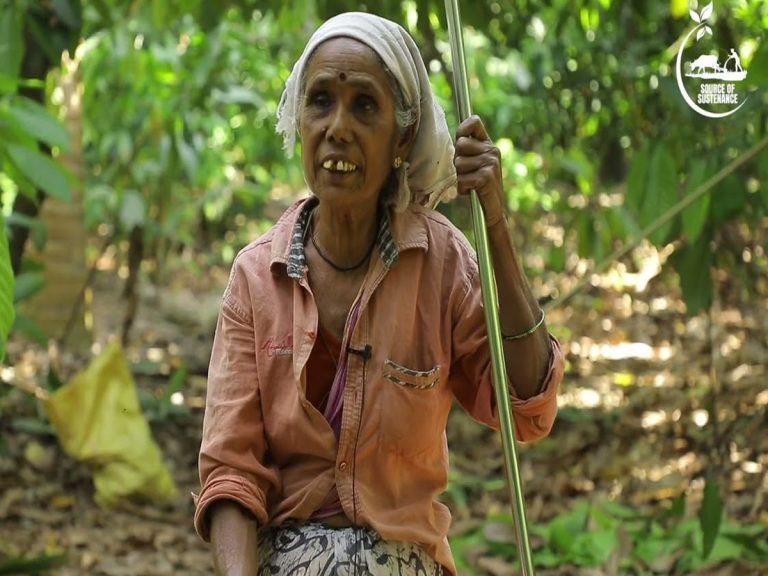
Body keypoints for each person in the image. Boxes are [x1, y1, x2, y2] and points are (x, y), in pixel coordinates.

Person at [194, 11, 564, 576]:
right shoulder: (255, 278)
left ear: (403, 138)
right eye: (321, 101)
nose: (337, 127)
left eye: (364, 105)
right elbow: (231, 473)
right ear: (300, 119)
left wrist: (495, 223)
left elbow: (528, 410)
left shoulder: (442, 263)